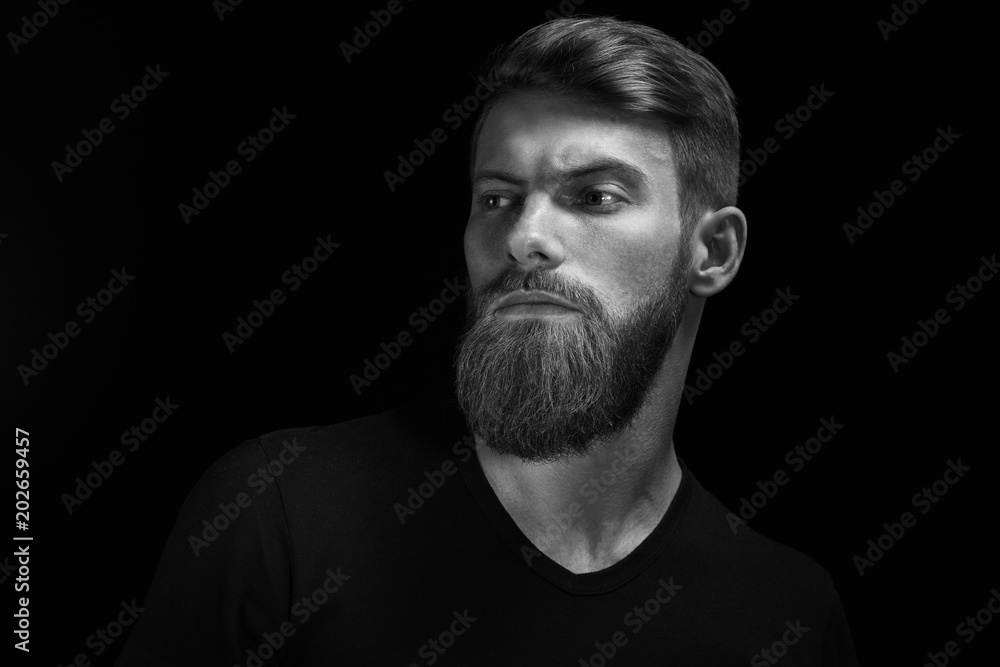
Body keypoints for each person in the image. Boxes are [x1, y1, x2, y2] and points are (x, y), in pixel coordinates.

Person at [117, 15, 860, 666]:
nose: (525, 237)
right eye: (498, 198)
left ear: (714, 252)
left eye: (595, 196)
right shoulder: (279, 515)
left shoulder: (785, 614)